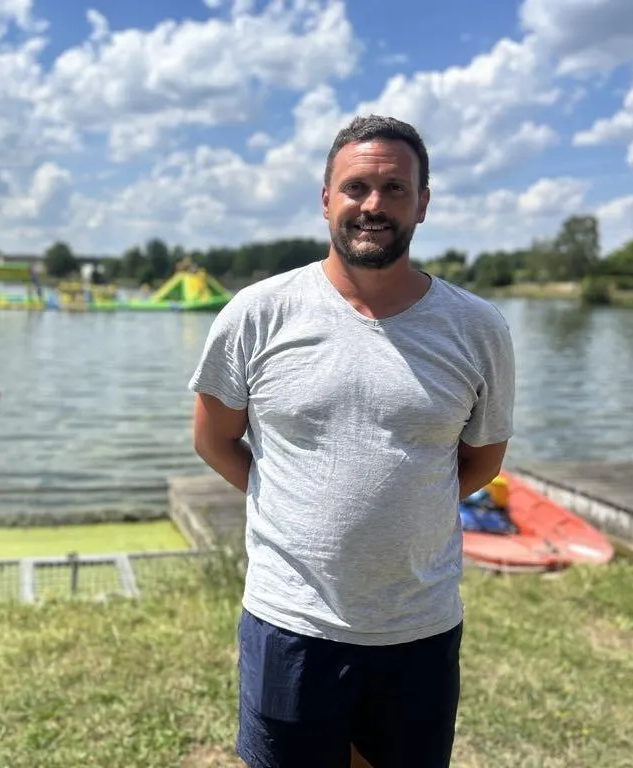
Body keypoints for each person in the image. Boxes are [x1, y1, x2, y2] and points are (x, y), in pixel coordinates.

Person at [187, 115, 516, 768]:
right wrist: (293, 499)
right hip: (291, 621)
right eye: (356, 187)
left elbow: (482, 459)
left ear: (423, 202)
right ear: (325, 198)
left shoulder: (478, 328)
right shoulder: (258, 313)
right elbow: (213, 439)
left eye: (395, 189)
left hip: (418, 623)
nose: (373, 205)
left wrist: (404, 503)